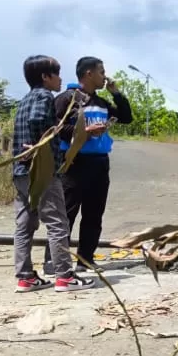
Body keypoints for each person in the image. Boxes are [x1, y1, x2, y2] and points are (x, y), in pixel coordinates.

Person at [11, 55, 95, 293]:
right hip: (42, 171)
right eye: (56, 74)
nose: (60, 79)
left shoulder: (25, 100)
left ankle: (25, 277)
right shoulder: (43, 96)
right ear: (45, 77)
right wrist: (42, 144)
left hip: (21, 172)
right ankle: (64, 276)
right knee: (58, 222)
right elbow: (39, 120)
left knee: (25, 224)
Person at [43, 56, 133, 274]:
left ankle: (85, 259)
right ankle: (54, 262)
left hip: (99, 164)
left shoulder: (102, 103)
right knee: (66, 213)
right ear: (88, 74)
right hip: (74, 162)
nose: (105, 77)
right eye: (101, 72)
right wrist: (82, 133)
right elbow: (53, 128)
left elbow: (126, 117)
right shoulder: (67, 99)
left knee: (94, 214)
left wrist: (116, 93)